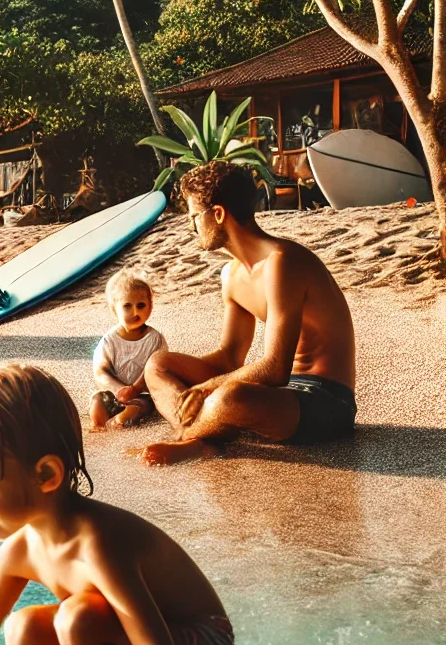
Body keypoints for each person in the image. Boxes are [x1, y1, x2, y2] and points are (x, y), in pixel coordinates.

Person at [0, 365, 233, 645]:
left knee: (78, 620)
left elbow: (151, 641)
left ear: (46, 475)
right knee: (23, 626)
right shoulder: (21, 550)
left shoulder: (97, 545)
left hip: (204, 634)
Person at [140, 161, 356, 466]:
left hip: (325, 400)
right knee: (158, 365)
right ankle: (205, 435)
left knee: (228, 397)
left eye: (194, 219)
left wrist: (206, 388)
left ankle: (193, 439)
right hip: (277, 398)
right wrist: (200, 383)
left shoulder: (283, 262)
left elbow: (276, 369)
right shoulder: (231, 275)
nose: (192, 229)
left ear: (218, 214)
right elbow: (229, 358)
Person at [89, 270, 167, 430]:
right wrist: (119, 389)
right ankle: (98, 424)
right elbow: (100, 371)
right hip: (113, 393)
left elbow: (155, 368)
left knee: (145, 404)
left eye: (141, 305)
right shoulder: (109, 341)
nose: (135, 312)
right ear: (114, 309)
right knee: (98, 399)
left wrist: (134, 389)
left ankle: (122, 419)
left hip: (142, 394)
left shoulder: (155, 339)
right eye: (127, 306)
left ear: (150, 306)